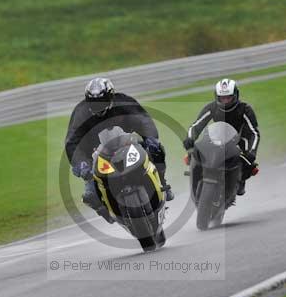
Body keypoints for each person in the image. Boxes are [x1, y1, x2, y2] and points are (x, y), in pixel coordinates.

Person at [65, 77, 174, 223]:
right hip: (97, 156)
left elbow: (143, 119)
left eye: (102, 101)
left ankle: (162, 183)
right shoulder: (81, 112)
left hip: (128, 145)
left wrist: (151, 139)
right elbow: (72, 142)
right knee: (90, 194)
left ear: (111, 96)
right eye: (94, 102)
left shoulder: (123, 102)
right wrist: (81, 164)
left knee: (157, 151)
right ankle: (107, 212)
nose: (98, 106)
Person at [182, 78, 260, 197]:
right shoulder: (211, 108)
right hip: (216, 138)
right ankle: (197, 178)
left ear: (235, 95)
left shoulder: (245, 109)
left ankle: (239, 179)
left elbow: (254, 132)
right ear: (217, 97)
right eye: (222, 98)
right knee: (193, 154)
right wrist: (190, 139)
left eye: (228, 97)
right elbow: (196, 125)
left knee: (249, 163)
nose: (225, 101)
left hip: (238, 142)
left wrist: (252, 152)